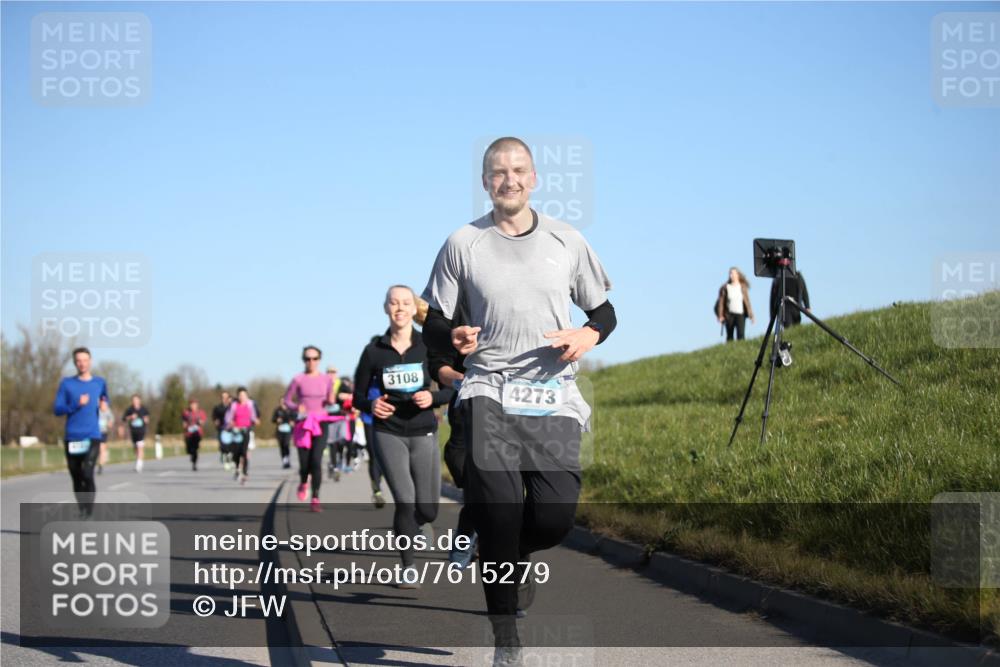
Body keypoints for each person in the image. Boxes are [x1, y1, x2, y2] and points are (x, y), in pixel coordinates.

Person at [421, 137, 616, 663]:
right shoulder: (464, 242)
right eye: (498, 171)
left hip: (552, 394)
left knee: (553, 519)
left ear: (534, 179)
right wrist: (453, 337)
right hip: (488, 388)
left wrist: (587, 337)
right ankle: (506, 643)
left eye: (518, 170)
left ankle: (510, 547)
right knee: (502, 514)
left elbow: (604, 312)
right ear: (486, 181)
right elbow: (433, 322)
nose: (509, 179)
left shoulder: (566, 240)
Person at [352, 285, 454, 588]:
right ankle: (408, 567)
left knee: (428, 509)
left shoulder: (428, 347)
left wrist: (432, 399)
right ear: (386, 308)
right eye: (393, 303)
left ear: (414, 309)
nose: (399, 308)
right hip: (389, 431)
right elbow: (357, 395)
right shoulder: (374, 351)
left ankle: (419, 526)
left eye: (405, 303)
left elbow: (452, 388)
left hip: (423, 429)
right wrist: (370, 403)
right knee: (406, 502)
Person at [427, 309, 477, 567]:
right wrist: (464, 380)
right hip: (466, 417)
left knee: (489, 491)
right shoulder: (461, 322)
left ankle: (473, 542)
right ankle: (468, 535)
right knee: (474, 489)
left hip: (510, 414)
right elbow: (439, 367)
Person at [53, 347, 109, 516]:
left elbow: (104, 396)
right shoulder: (67, 384)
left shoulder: (99, 382)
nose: (82, 363)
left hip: (92, 435)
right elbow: (57, 409)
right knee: (76, 476)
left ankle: (88, 512)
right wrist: (76, 403)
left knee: (87, 472)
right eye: (78, 361)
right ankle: (82, 509)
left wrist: (104, 403)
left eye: (85, 360)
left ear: (90, 361)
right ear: (74, 363)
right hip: (72, 436)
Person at [284, 346, 334, 511]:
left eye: (314, 358)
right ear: (303, 360)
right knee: (304, 463)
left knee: (316, 461)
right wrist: (297, 406)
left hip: (320, 423)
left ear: (319, 360)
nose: (311, 362)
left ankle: (315, 497)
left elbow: (330, 400)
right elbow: (287, 400)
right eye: (307, 359)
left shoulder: (327, 379)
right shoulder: (298, 379)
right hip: (303, 424)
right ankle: (304, 481)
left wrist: (331, 402)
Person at [225, 387, 259, 484]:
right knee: (236, 453)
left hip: (246, 431)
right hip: (236, 432)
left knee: (244, 452)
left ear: (247, 396)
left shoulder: (250, 405)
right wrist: (230, 423)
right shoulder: (234, 405)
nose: (242, 397)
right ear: (238, 396)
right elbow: (228, 417)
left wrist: (255, 420)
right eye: (240, 395)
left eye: (244, 395)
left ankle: (244, 472)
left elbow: (253, 416)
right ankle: (237, 468)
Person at [716, 267, 755, 342]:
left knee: (741, 334)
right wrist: (720, 315)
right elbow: (721, 303)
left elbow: (747, 302)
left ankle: (741, 349)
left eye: (733, 273)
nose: (731, 275)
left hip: (740, 314)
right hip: (729, 314)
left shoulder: (742, 287)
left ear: (738, 275)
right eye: (730, 274)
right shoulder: (725, 287)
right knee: (730, 335)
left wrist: (751, 315)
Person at [122, 394, 150, 472]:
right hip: (133, 431)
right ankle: (139, 459)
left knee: (139, 446)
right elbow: (124, 418)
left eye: (136, 400)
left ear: (139, 400)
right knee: (135, 447)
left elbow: (147, 419)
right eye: (134, 400)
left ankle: (139, 464)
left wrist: (146, 420)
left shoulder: (144, 409)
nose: (135, 402)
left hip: (141, 430)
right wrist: (131, 417)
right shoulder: (130, 409)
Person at [182, 398, 207, 471]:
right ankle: (191, 455)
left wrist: (200, 422)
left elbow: (203, 421)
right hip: (188, 433)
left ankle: (194, 463)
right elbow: (183, 422)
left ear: (197, 405)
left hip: (197, 433)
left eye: (194, 404)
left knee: (195, 449)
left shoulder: (201, 412)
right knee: (189, 449)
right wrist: (184, 425)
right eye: (191, 404)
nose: (193, 406)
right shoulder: (186, 412)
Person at [212, 390, 234, 469]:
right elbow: (214, 417)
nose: (224, 399)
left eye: (226, 397)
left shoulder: (232, 407)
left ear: (229, 398)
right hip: (221, 429)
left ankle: (229, 459)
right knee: (223, 445)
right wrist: (216, 421)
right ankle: (224, 456)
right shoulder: (217, 408)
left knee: (231, 446)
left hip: (231, 429)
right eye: (222, 397)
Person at [272, 400, 295, 469]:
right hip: (280, 431)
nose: (282, 403)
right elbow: (273, 419)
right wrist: (277, 420)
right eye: (281, 401)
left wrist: (292, 422)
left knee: (286, 444)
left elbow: (294, 418)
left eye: (284, 402)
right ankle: (284, 461)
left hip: (288, 430)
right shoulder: (277, 410)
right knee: (281, 446)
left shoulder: (290, 410)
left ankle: (287, 459)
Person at [97, 396, 114, 474]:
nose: (103, 404)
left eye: (104, 403)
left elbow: (111, 421)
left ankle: (100, 465)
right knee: (95, 449)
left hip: (103, 432)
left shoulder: (108, 411)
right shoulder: (96, 410)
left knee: (101, 448)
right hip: (95, 432)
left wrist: (109, 424)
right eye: (101, 402)